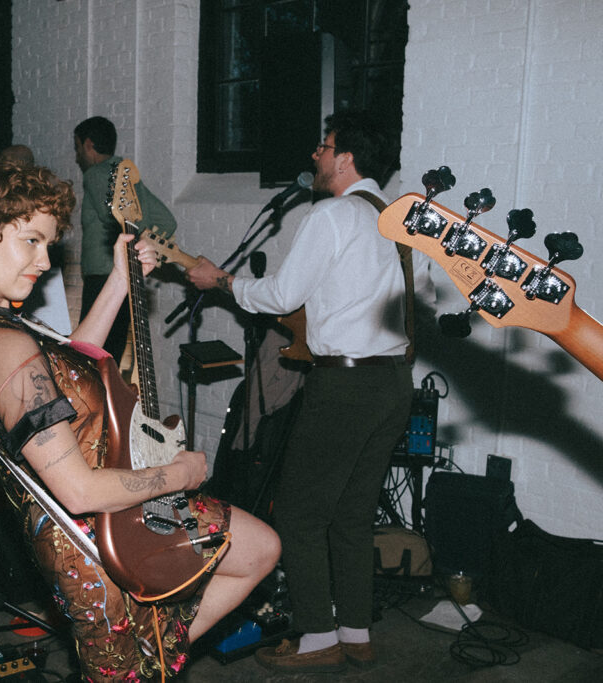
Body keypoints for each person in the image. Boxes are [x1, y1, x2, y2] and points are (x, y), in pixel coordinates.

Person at [0, 159, 280, 681]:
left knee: (258, 549)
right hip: (93, 545)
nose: (45, 260)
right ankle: (148, 658)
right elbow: (78, 491)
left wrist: (119, 282)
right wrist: (183, 474)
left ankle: (155, 653)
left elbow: (71, 364)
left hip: (118, 517)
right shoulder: (2, 347)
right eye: (31, 240)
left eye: (49, 244)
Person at [187, 110, 419, 673]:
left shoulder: (332, 214)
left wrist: (222, 281)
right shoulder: (397, 219)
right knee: (353, 515)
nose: (314, 155)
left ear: (345, 159)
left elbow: (283, 295)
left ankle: (318, 637)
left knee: (298, 514)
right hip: (393, 382)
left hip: (344, 383)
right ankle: (356, 631)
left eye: (324, 146)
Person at [73, 116, 176, 360]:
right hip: (125, 278)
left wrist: (130, 241)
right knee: (112, 355)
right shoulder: (125, 174)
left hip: (104, 278)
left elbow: (116, 219)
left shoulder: (96, 174)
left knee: (89, 358)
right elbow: (167, 222)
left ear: (88, 144)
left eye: (77, 148)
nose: (77, 156)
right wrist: (143, 249)